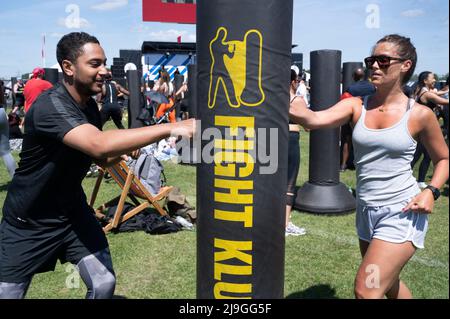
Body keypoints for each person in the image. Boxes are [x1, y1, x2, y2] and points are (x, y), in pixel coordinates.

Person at [0, 32, 195, 299]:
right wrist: (171, 128)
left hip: (73, 215)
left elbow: (101, 158)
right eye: (95, 64)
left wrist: (124, 152)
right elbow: (98, 144)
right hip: (30, 221)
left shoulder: (89, 106)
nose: (104, 71)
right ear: (68, 67)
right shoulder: (50, 106)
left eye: (103, 63)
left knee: (103, 283)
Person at [289, 34, 449, 299]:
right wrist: (285, 92)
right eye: (372, 59)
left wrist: (431, 190)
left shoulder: (420, 114)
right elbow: (312, 120)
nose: (374, 65)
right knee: (389, 283)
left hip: (402, 211)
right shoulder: (355, 105)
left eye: (383, 60)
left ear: (406, 65)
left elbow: (443, 158)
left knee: (366, 290)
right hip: (366, 210)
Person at [411, 71, 449, 188]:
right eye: (432, 78)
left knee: (417, 154)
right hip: (424, 129)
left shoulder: (422, 90)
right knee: (426, 155)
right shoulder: (426, 93)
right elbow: (444, 101)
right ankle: (420, 180)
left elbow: (440, 93)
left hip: (421, 127)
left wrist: (446, 90)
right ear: (425, 81)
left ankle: (411, 176)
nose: (435, 80)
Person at [340, 68, 376, 171]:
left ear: (354, 77)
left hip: (352, 117)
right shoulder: (372, 87)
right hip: (368, 116)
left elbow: (345, 103)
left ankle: (343, 165)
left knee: (347, 141)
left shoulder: (351, 88)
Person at [285, 69, 306, 236]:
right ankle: (285, 223)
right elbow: (308, 124)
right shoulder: (296, 100)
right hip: (291, 137)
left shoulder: (271, 99)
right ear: (293, 82)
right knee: (289, 182)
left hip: (273, 137)